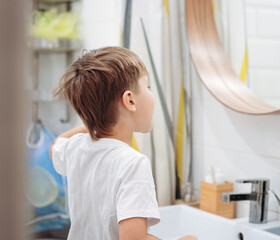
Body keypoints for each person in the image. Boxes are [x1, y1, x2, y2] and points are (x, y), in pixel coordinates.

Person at [49, 46, 197, 240]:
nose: (151, 93)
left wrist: (92, 121)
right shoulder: (132, 164)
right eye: (148, 87)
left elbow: (55, 146)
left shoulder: (76, 147)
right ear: (130, 101)